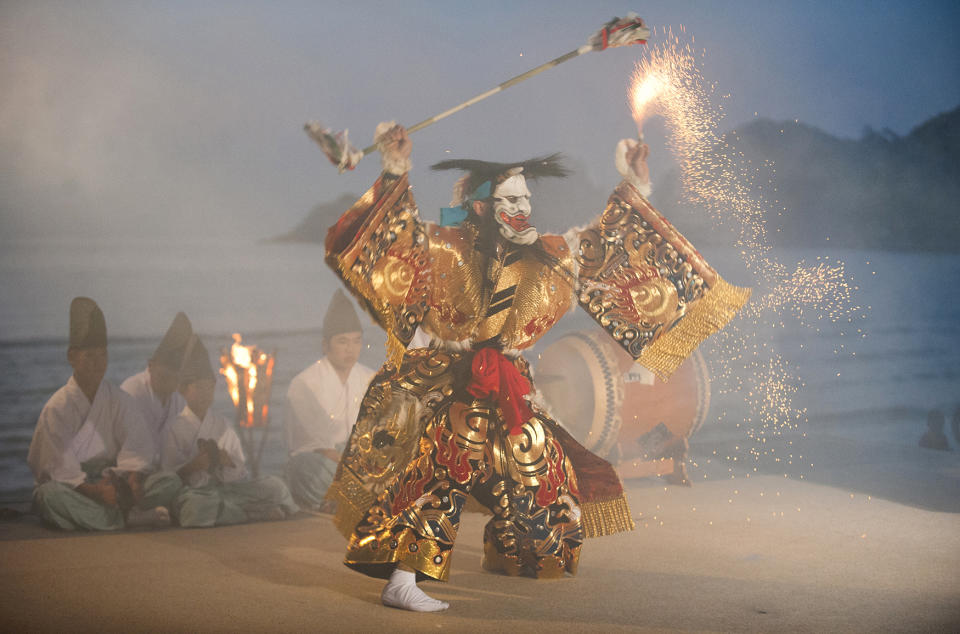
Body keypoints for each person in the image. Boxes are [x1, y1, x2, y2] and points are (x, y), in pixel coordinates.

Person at [322, 123, 750, 611]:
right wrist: (395, 168)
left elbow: (601, 243)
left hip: (505, 386)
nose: (523, 208)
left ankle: (519, 554)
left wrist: (634, 186)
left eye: (526, 198)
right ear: (482, 207)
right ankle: (402, 577)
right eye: (511, 199)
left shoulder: (545, 257)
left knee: (540, 467)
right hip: (442, 383)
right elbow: (388, 245)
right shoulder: (442, 246)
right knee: (445, 460)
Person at [27, 297, 181, 530]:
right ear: (72, 357)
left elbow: (137, 447)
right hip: (75, 487)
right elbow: (56, 469)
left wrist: (132, 479)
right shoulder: (57, 408)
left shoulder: (118, 399)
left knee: (169, 481)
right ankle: (124, 518)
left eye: (102, 355)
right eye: (89, 356)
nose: (97, 363)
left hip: (115, 483)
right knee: (49, 496)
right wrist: (96, 492)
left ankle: (111, 516)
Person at [162, 335, 298, 527]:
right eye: (198, 388)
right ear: (183, 390)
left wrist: (228, 463)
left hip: (228, 491)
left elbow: (240, 474)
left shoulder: (222, 424)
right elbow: (168, 479)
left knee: (275, 487)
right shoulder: (173, 427)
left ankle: (237, 511)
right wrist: (193, 466)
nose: (205, 394)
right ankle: (253, 513)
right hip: (195, 494)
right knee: (195, 507)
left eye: (209, 388)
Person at [284, 290, 375, 512]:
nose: (350, 349)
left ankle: (351, 496)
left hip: (359, 459)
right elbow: (319, 448)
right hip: (325, 461)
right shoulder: (304, 384)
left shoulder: (370, 379)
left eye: (356, 341)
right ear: (325, 345)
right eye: (342, 342)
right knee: (307, 470)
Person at [121, 312, 192, 457]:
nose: (170, 383)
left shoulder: (178, 401)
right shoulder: (133, 392)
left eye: (176, 377)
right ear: (151, 365)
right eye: (165, 376)